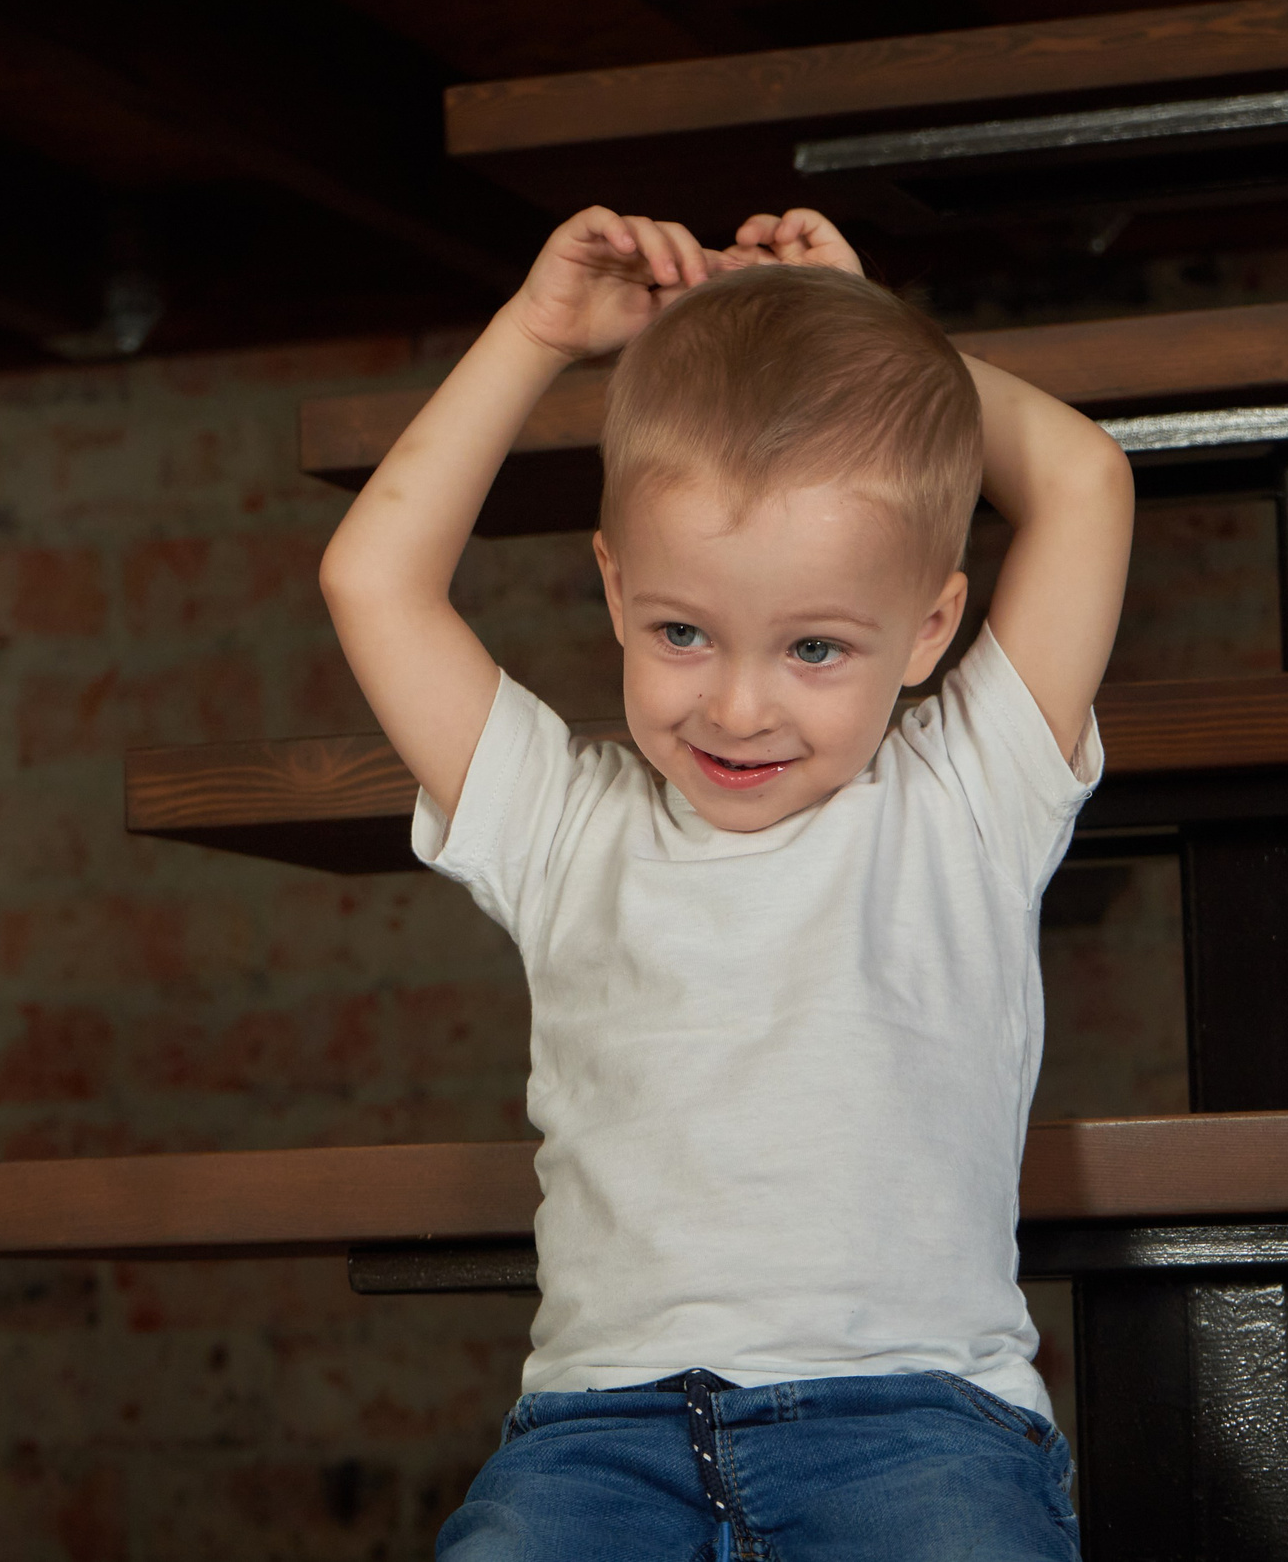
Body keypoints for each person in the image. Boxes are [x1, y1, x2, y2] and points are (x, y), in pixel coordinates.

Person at [320, 205, 1134, 1561]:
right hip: (599, 1445)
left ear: (931, 628)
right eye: (683, 631)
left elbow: (1086, 481)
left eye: (816, 647)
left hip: (914, 1428)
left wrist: (881, 343)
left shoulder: (966, 797)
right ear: (615, 588)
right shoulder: (562, 821)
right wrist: (537, 337)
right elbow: (373, 576)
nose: (741, 706)